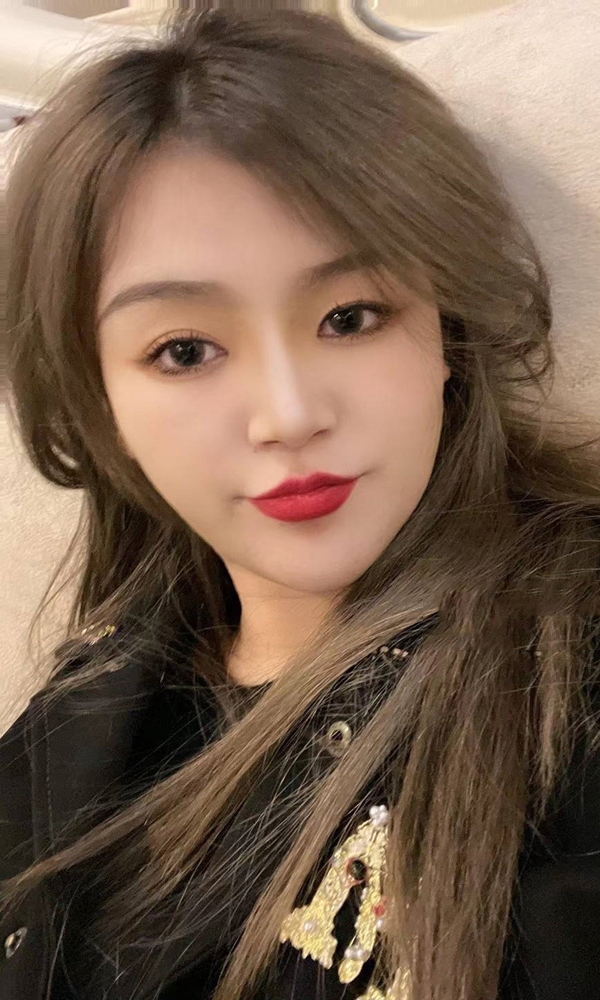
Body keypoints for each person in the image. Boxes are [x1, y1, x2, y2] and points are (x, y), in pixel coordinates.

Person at [2, 7, 600, 1000]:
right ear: (100, 401)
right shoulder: (81, 707)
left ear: (445, 335)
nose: (287, 415)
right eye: (184, 350)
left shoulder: (566, 674)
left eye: (350, 317)